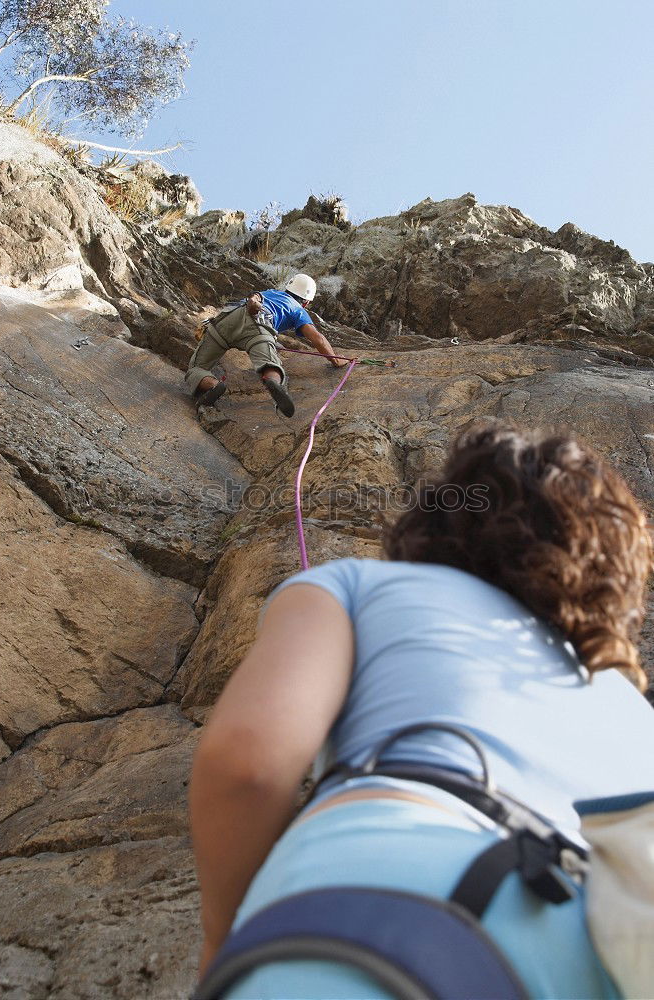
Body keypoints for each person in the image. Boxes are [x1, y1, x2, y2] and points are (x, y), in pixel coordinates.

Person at [189, 423, 654, 999]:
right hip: (603, 948)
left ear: (434, 521)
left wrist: (221, 941)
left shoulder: (359, 584)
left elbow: (247, 763)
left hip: (393, 906)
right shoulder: (626, 705)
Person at [185, 273, 348, 419]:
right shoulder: (299, 310)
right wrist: (335, 360)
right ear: (305, 302)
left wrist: (254, 302)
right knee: (270, 364)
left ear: (288, 288)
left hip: (230, 318)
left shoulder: (272, 292)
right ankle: (272, 381)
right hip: (259, 326)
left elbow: (256, 297)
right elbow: (317, 338)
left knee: (196, 368)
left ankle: (213, 384)